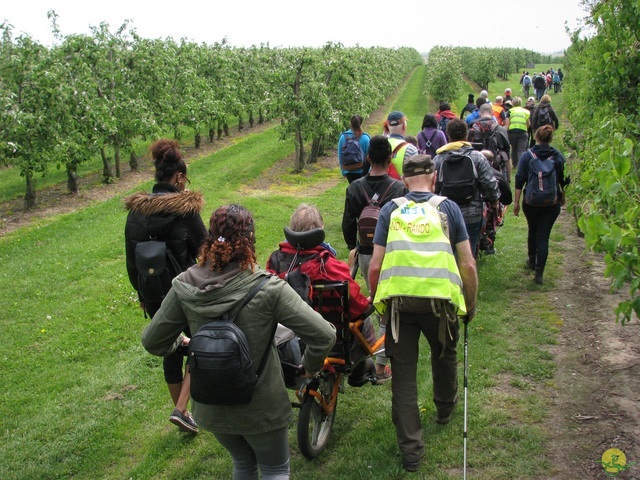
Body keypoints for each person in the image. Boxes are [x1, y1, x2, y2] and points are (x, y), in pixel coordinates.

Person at [142, 204, 336, 479]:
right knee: (275, 469)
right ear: (251, 241)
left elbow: (153, 341)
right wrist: (308, 368)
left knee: (243, 464)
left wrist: (185, 343)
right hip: (261, 406)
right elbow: (324, 334)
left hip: (211, 405)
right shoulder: (269, 288)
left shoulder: (183, 285)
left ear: (208, 238)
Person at [368, 154, 478, 472]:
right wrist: (469, 305)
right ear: (433, 178)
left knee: (403, 376)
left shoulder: (390, 210)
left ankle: (411, 452)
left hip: (400, 305)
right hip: (439, 303)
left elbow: (375, 265)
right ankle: (444, 409)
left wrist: (377, 298)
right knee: (444, 355)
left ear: (404, 181)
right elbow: (468, 264)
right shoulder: (449, 209)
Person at [125, 139, 207, 433]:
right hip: (186, 292)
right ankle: (182, 407)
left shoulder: (136, 212)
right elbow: (205, 250)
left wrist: (142, 294)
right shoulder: (186, 211)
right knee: (204, 341)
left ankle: (184, 416)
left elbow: (131, 259)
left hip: (154, 291)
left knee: (171, 351)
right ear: (178, 177)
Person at [267, 203, 380, 386]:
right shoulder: (328, 266)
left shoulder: (275, 260)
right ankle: (359, 370)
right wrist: (366, 305)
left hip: (288, 337)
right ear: (319, 231)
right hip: (334, 339)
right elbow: (356, 306)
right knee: (363, 320)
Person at [342, 136, 407, 381]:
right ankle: (380, 367)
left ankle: (357, 352)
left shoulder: (355, 187)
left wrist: (353, 247)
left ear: (367, 157)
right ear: (390, 157)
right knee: (385, 308)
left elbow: (348, 223)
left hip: (365, 253)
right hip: (390, 253)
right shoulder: (399, 189)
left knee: (361, 303)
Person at [434, 118, 500, 256]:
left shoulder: (439, 159)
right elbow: (489, 183)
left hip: (446, 213)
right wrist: (494, 201)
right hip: (472, 212)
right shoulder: (477, 157)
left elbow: (433, 187)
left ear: (448, 136)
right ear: (466, 136)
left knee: (448, 253)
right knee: (469, 253)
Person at [513, 125, 569, 285]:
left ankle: (531, 259)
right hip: (551, 203)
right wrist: (562, 197)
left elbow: (520, 179)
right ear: (551, 139)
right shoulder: (557, 156)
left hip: (531, 202)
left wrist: (516, 202)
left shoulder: (527, 156)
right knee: (543, 236)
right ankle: (539, 273)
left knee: (533, 229)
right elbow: (564, 179)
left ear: (536, 137)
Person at [468, 104, 512, 180]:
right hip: (497, 169)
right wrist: (508, 179)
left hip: (477, 170)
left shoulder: (473, 129)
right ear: (492, 113)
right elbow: (507, 156)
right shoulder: (501, 130)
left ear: (479, 113)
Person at [385, 110, 419, 180]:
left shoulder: (379, 145)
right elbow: (414, 177)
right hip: (402, 189)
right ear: (404, 126)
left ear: (388, 126)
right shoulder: (411, 149)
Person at [338, 115, 371, 183]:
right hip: (363, 170)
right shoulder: (365, 137)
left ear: (350, 123)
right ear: (361, 124)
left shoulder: (343, 137)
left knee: (353, 190)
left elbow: (340, 155)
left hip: (349, 170)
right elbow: (369, 156)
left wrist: (343, 170)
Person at [507, 97, 531, 170]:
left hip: (512, 132)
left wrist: (506, 131)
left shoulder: (510, 111)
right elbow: (528, 123)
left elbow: (508, 123)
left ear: (513, 103)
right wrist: (525, 128)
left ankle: (514, 164)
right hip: (523, 132)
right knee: (521, 150)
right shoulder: (526, 111)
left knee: (514, 148)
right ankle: (521, 165)